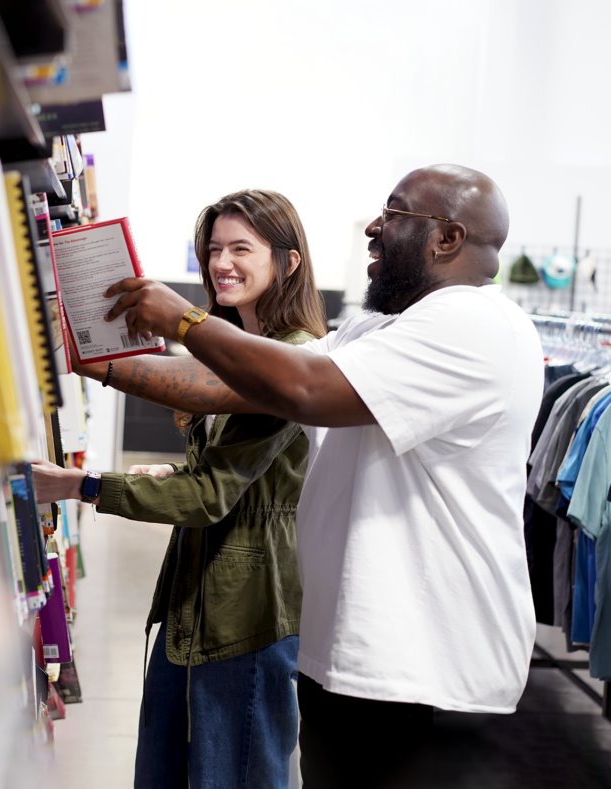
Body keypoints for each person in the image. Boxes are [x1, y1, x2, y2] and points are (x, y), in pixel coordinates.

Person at [75, 165, 544, 788]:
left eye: (394, 213)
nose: (374, 228)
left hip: (423, 667)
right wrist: (95, 361)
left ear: (448, 238)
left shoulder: (475, 323)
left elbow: (303, 388)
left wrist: (185, 322)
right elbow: (235, 387)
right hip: (352, 658)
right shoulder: (380, 328)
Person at [33, 189, 326, 789]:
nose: (222, 264)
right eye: (214, 249)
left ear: (288, 262)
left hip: (248, 610)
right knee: (170, 769)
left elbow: (209, 497)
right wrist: (169, 475)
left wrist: (80, 484)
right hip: (196, 597)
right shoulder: (234, 351)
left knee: (235, 775)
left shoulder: (293, 357)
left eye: (242, 248)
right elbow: (226, 477)